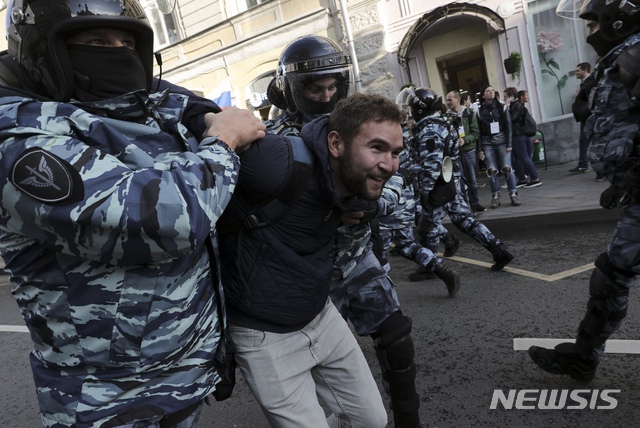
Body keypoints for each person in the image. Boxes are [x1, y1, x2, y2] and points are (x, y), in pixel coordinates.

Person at [0, 1, 267, 427]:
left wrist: (200, 113)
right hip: (109, 401)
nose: (119, 53)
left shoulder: (121, 113)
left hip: (182, 376)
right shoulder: (20, 145)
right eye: (98, 42)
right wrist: (223, 141)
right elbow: (163, 220)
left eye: (128, 42)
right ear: (43, 53)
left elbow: (168, 97)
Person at [264, 36, 425, 427]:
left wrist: (371, 204)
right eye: (315, 88)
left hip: (357, 256)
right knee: (318, 367)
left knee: (396, 337)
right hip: (310, 267)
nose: (326, 95)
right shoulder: (276, 140)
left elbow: (399, 174)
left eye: (333, 85)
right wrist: (331, 208)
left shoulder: (359, 120)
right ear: (293, 90)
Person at [218, 93, 402, 428]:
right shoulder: (274, 161)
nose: (388, 164)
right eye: (376, 148)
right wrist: (217, 123)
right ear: (335, 144)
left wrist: (358, 209)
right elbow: (189, 127)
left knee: (373, 420)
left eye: (395, 153)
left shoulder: (355, 185)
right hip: (263, 335)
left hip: (321, 315)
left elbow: (378, 198)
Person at [529, 0, 640, 382]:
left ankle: (584, 356)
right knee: (611, 276)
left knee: (612, 276)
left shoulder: (637, 55)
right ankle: (584, 357)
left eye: (593, 24)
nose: (588, 32)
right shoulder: (621, 58)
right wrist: (626, 183)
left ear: (619, 19)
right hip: (637, 195)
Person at [408, 88, 515, 282]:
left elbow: (431, 164)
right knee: (464, 219)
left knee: (427, 226)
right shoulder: (440, 122)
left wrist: (425, 191)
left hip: (439, 185)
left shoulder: (429, 129)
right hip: (451, 180)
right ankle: (499, 250)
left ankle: (429, 267)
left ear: (419, 108)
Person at [478, 85, 521, 208]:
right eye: (487, 91)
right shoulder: (479, 111)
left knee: (507, 168)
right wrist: (480, 149)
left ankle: (513, 194)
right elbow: (479, 131)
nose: (490, 92)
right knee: (491, 170)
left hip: (502, 142)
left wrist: (509, 144)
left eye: (492, 90)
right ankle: (495, 196)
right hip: (487, 143)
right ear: (483, 95)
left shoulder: (502, 107)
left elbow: (509, 126)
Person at [445, 90, 484, 212]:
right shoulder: (446, 117)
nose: (447, 102)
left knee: (472, 180)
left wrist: (465, 140)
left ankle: (475, 203)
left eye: (450, 99)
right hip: (455, 153)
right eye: (447, 100)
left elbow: (476, 132)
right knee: (459, 182)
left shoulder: (469, 114)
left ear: (457, 99)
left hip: (469, 151)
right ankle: (464, 207)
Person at [570, 62, 603, 181]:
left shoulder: (590, 82)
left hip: (590, 117)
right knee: (585, 141)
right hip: (586, 117)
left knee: (593, 143)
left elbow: (592, 100)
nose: (576, 73)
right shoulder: (584, 83)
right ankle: (584, 164)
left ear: (585, 70)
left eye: (578, 70)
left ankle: (599, 170)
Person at [505, 87, 542, 188]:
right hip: (519, 135)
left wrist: (507, 110)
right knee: (515, 159)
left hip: (518, 135)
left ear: (511, 96)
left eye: (505, 97)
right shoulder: (517, 105)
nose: (504, 99)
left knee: (524, 157)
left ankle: (535, 178)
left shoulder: (516, 105)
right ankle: (522, 179)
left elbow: (512, 119)